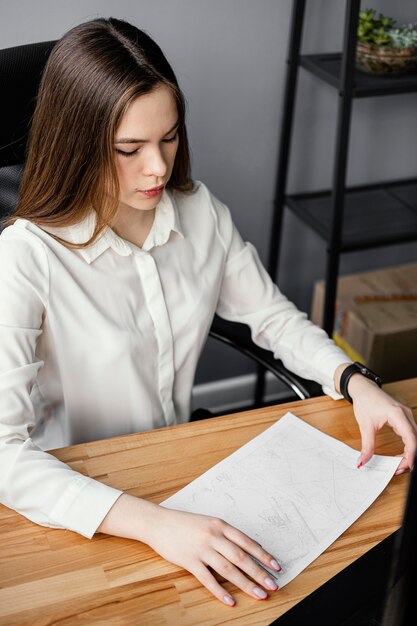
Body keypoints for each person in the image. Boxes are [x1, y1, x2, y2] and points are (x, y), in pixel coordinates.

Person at [0, 18, 415, 608]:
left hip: (183, 470)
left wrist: (355, 381)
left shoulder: (198, 213)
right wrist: (157, 525)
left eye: (169, 138)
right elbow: (4, 453)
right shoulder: (24, 257)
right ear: (77, 142)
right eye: (129, 149)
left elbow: (272, 318)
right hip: (81, 502)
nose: (158, 169)